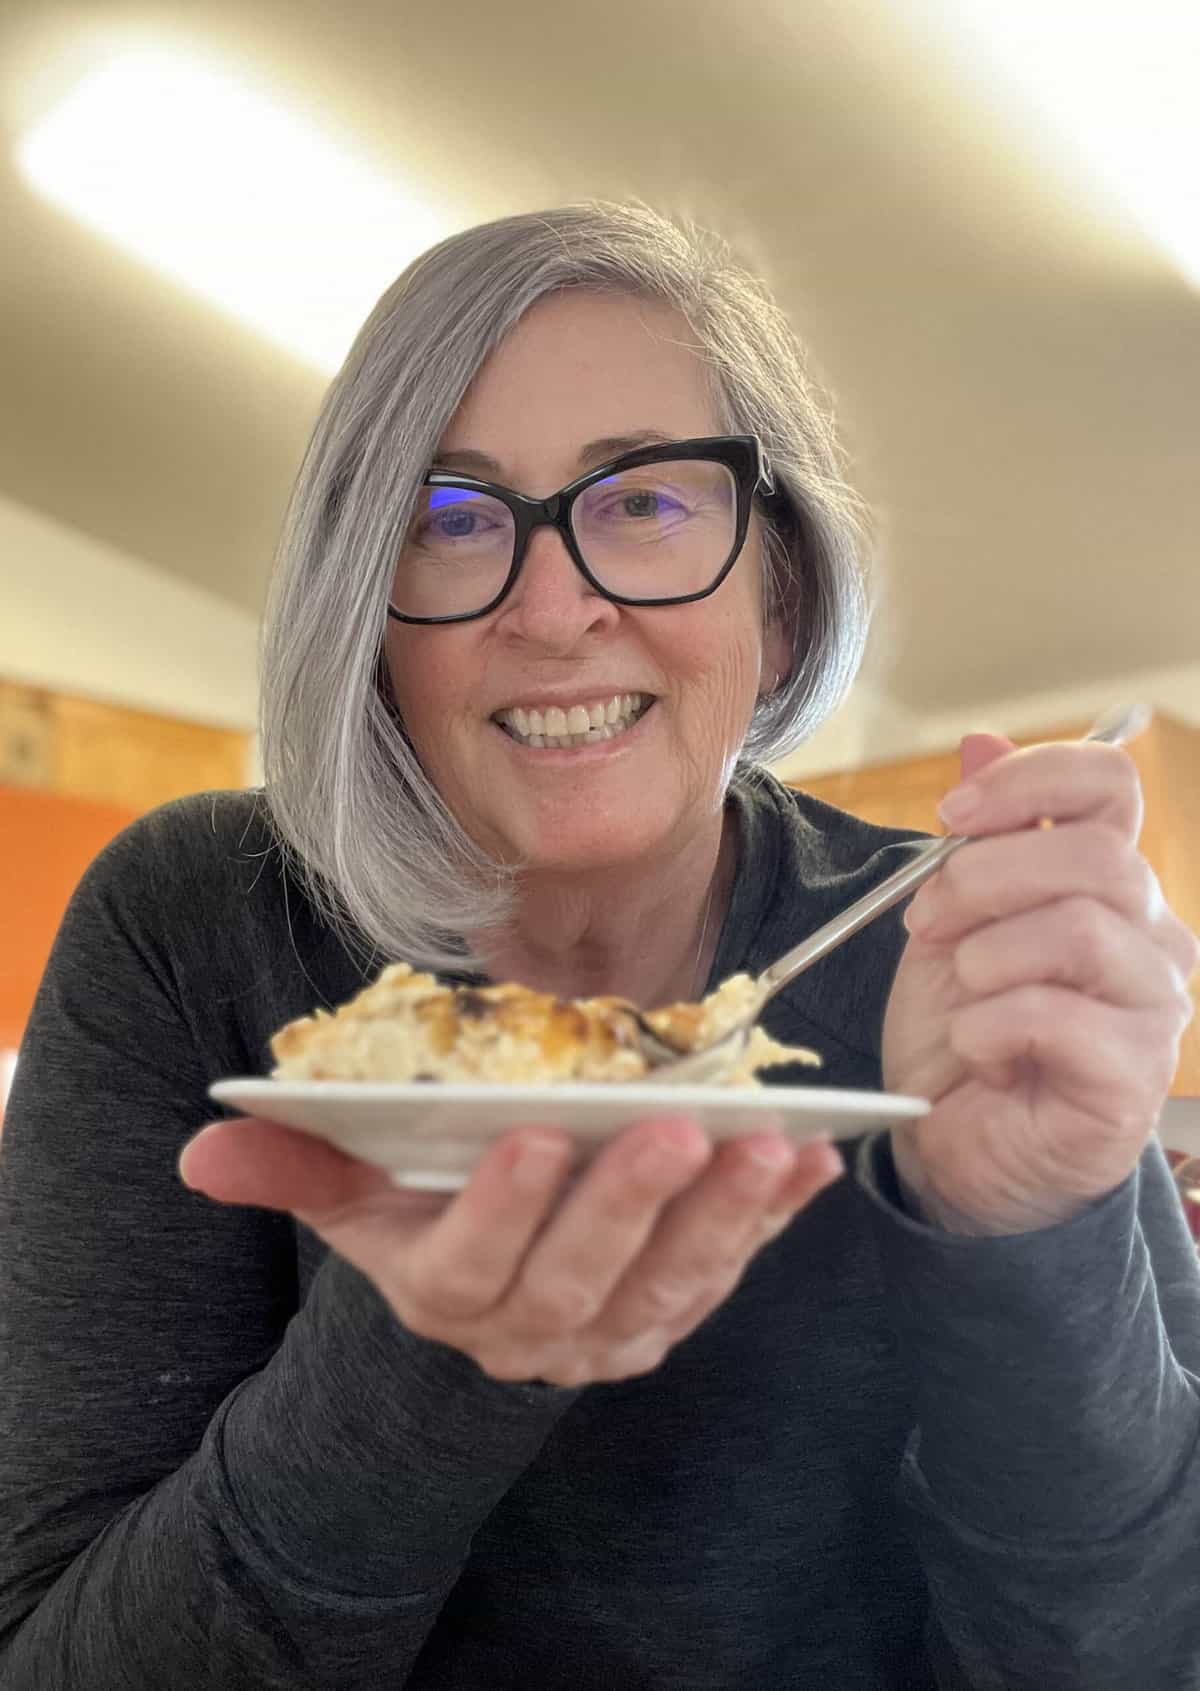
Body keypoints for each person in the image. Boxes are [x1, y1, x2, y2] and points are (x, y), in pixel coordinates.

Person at [1, 202, 1197, 1691]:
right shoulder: (195, 928)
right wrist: (419, 1359)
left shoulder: (952, 949)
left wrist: (1025, 1236)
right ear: (365, 608)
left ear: (782, 577)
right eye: (451, 518)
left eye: (644, 501)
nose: (555, 608)